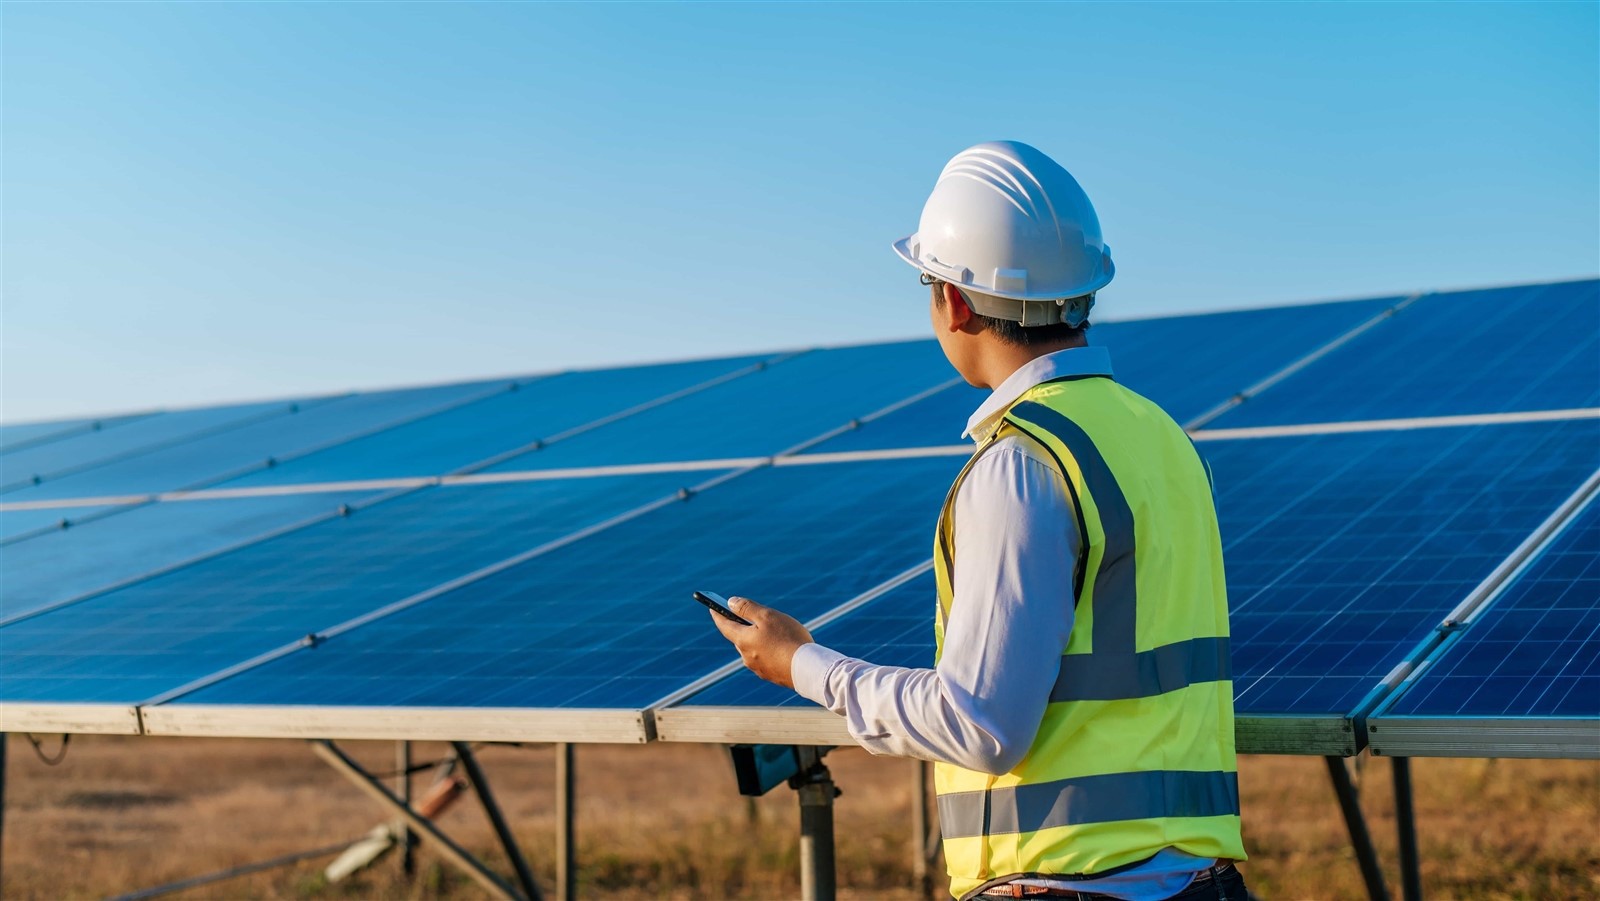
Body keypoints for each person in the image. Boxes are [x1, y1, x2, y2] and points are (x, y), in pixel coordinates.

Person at [711, 140, 1248, 901]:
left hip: (1068, 883)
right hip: (1200, 882)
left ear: (954, 303)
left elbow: (982, 724)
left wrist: (801, 663)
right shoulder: (1161, 436)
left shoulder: (1022, 465)